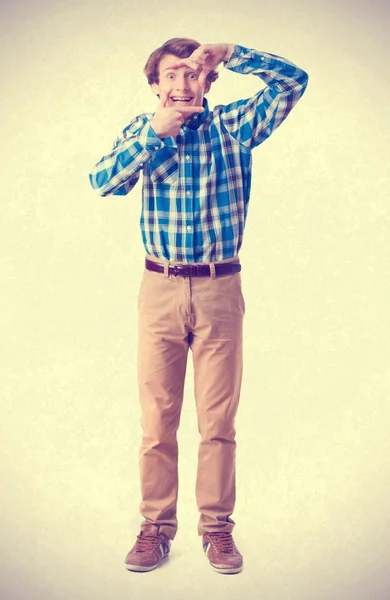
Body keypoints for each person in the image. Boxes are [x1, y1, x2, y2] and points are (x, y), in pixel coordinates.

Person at [89, 38, 309, 575]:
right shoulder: (144, 131)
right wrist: (151, 136)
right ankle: (155, 528)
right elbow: (103, 182)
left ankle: (216, 530)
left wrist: (233, 53)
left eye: (193, 74)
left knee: (217, 421)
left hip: (218, 290)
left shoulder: (234, 126)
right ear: (155, 83)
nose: (182, 84)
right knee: (157, 420)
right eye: (172, 75)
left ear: (208, 81)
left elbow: (293, 82)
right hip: (159, 289)